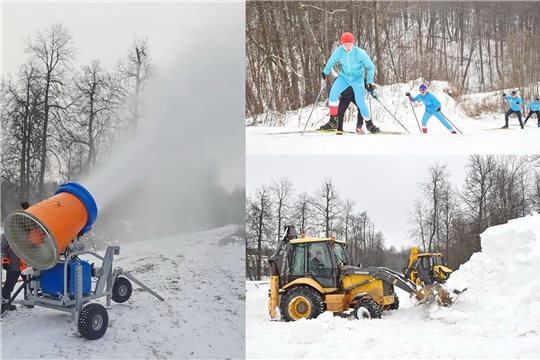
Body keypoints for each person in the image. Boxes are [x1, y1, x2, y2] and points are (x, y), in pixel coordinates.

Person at [319, 32, 380, 134]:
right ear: (341, 44)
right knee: (332, 96)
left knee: (360, 102)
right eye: (345, 44)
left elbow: (370, 67)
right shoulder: (339, 51)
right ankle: (333, 121)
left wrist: (369, 82)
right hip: (344, 77)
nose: (347, 47)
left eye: (349, 44)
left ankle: (369, 124)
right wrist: (325, 72)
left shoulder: (360, 53)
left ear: (353, 43)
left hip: (357, 79)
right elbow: (331, 62)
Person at [1, 201, 30, 315]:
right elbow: (2, 248)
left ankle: (29, 300)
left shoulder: (29, 233)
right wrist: (4, 260)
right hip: (13, 265)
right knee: (9, 285)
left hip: (27, 264)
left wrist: (29, 209)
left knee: (29, 283)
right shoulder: (7, 234)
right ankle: (5, 303)